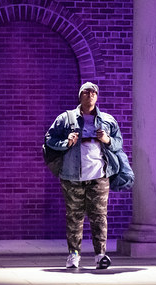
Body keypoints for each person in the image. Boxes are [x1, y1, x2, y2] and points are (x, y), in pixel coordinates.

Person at [44, 82, 122, 270]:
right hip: (72, 174)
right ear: (80, 96)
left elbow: (118, 143)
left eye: (94, 92)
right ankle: (74, 255)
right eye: (86, 92)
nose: (91, 94)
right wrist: (66, 142)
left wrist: (107, 139)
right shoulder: (66, 118)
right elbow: (49, 139)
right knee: (74, 216)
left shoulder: (107, 120)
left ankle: (100, 255)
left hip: (99, 174)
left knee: (99, 216)